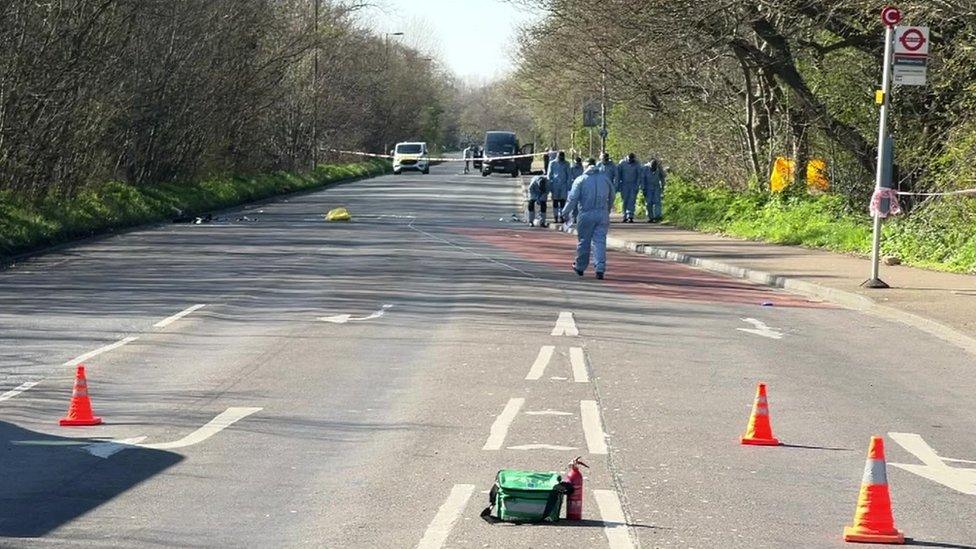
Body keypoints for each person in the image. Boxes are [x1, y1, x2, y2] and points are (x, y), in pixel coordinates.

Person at [562, 158, 612, 279]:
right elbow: (612, 195)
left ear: (586, 166)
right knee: (600, 240)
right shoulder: (605, 178)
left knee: (584, 241)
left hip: (586, 213)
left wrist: (565, 212)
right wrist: (608, 209)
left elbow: (572, 198)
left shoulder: (581, 180)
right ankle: (600, 267)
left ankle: (580, 266)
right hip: (602, 213)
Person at [547, 151, 571, 223]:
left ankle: (562, 216)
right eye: (559, 157)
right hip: (555, 185)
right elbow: (549, 175)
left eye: (562, 157)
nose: (560, 158)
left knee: (562, 201)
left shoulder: (566, 164)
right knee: (555, 201)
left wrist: (568, 185)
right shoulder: (552, 163)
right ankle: (555, 217)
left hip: (563, 185)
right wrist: (549, 185)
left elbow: (569, 175)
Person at [617, 153, 641, 222]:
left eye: (632, 159)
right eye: (630, 159)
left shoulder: (637, 164)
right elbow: (618, 174)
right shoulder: (622, 163)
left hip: (633, 184)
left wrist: (638, 185)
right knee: (625, 200)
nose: (631, 160)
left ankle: (630, 215)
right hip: (624, 184)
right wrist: (618, 184)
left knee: (632, 200)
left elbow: (639, 175)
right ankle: (624, 216)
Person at [641, 157, 666, 222]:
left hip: (656, 187)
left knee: (657, 202)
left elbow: (662, 177)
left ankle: (657, 216)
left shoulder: (659, 168)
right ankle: (650, 217)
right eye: (653, 167)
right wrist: (643, 188)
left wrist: (663, 186)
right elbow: (642, 179)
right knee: (648, 203)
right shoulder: (645, 168)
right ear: (650, 165)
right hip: (648, 187)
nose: (654, 168)